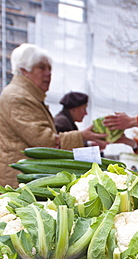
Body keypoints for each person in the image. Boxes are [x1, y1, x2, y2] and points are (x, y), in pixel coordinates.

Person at [0, 43, 107, 188]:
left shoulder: (27, 96)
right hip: (20, 179)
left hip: (26, 176)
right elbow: (45, 141)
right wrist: (82, 136)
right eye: (42, 68)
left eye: (49, 68)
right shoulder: (17, 97)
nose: (49, 73)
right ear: (24, 71)